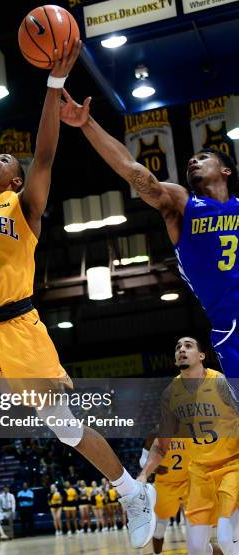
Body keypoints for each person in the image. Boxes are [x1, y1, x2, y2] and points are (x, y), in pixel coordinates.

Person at [0, 40, 156, 555]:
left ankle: (133, 491)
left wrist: (51, 86)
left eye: (2, 161)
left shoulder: (25, 206)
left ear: (17, 179)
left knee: (65, 427)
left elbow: (44, 152)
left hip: (20, 327)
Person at [59, 90, 239, 390]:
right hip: (230, 323)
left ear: (226, 170)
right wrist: (87, 122)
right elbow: (131, 169)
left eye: (203, 158)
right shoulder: (182, 204)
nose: (193, 161)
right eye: (191, 160)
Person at [138, 336, 239, 555]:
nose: (181, 350)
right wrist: (143, 474)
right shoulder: (171, 393)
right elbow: (161, 445)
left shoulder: (220, 382)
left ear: (202, 356)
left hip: (231, 466)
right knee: (197, 550)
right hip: (199, 474)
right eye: (177, 348)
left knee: (228, 538)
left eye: (188, 346)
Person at [141, 437, 213, 555]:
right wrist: (153, 467)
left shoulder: (192, 428)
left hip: (191, 480)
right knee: (159, 527)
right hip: (165, 483)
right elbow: (143, 459)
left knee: (199, 523)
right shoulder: (157, 432)